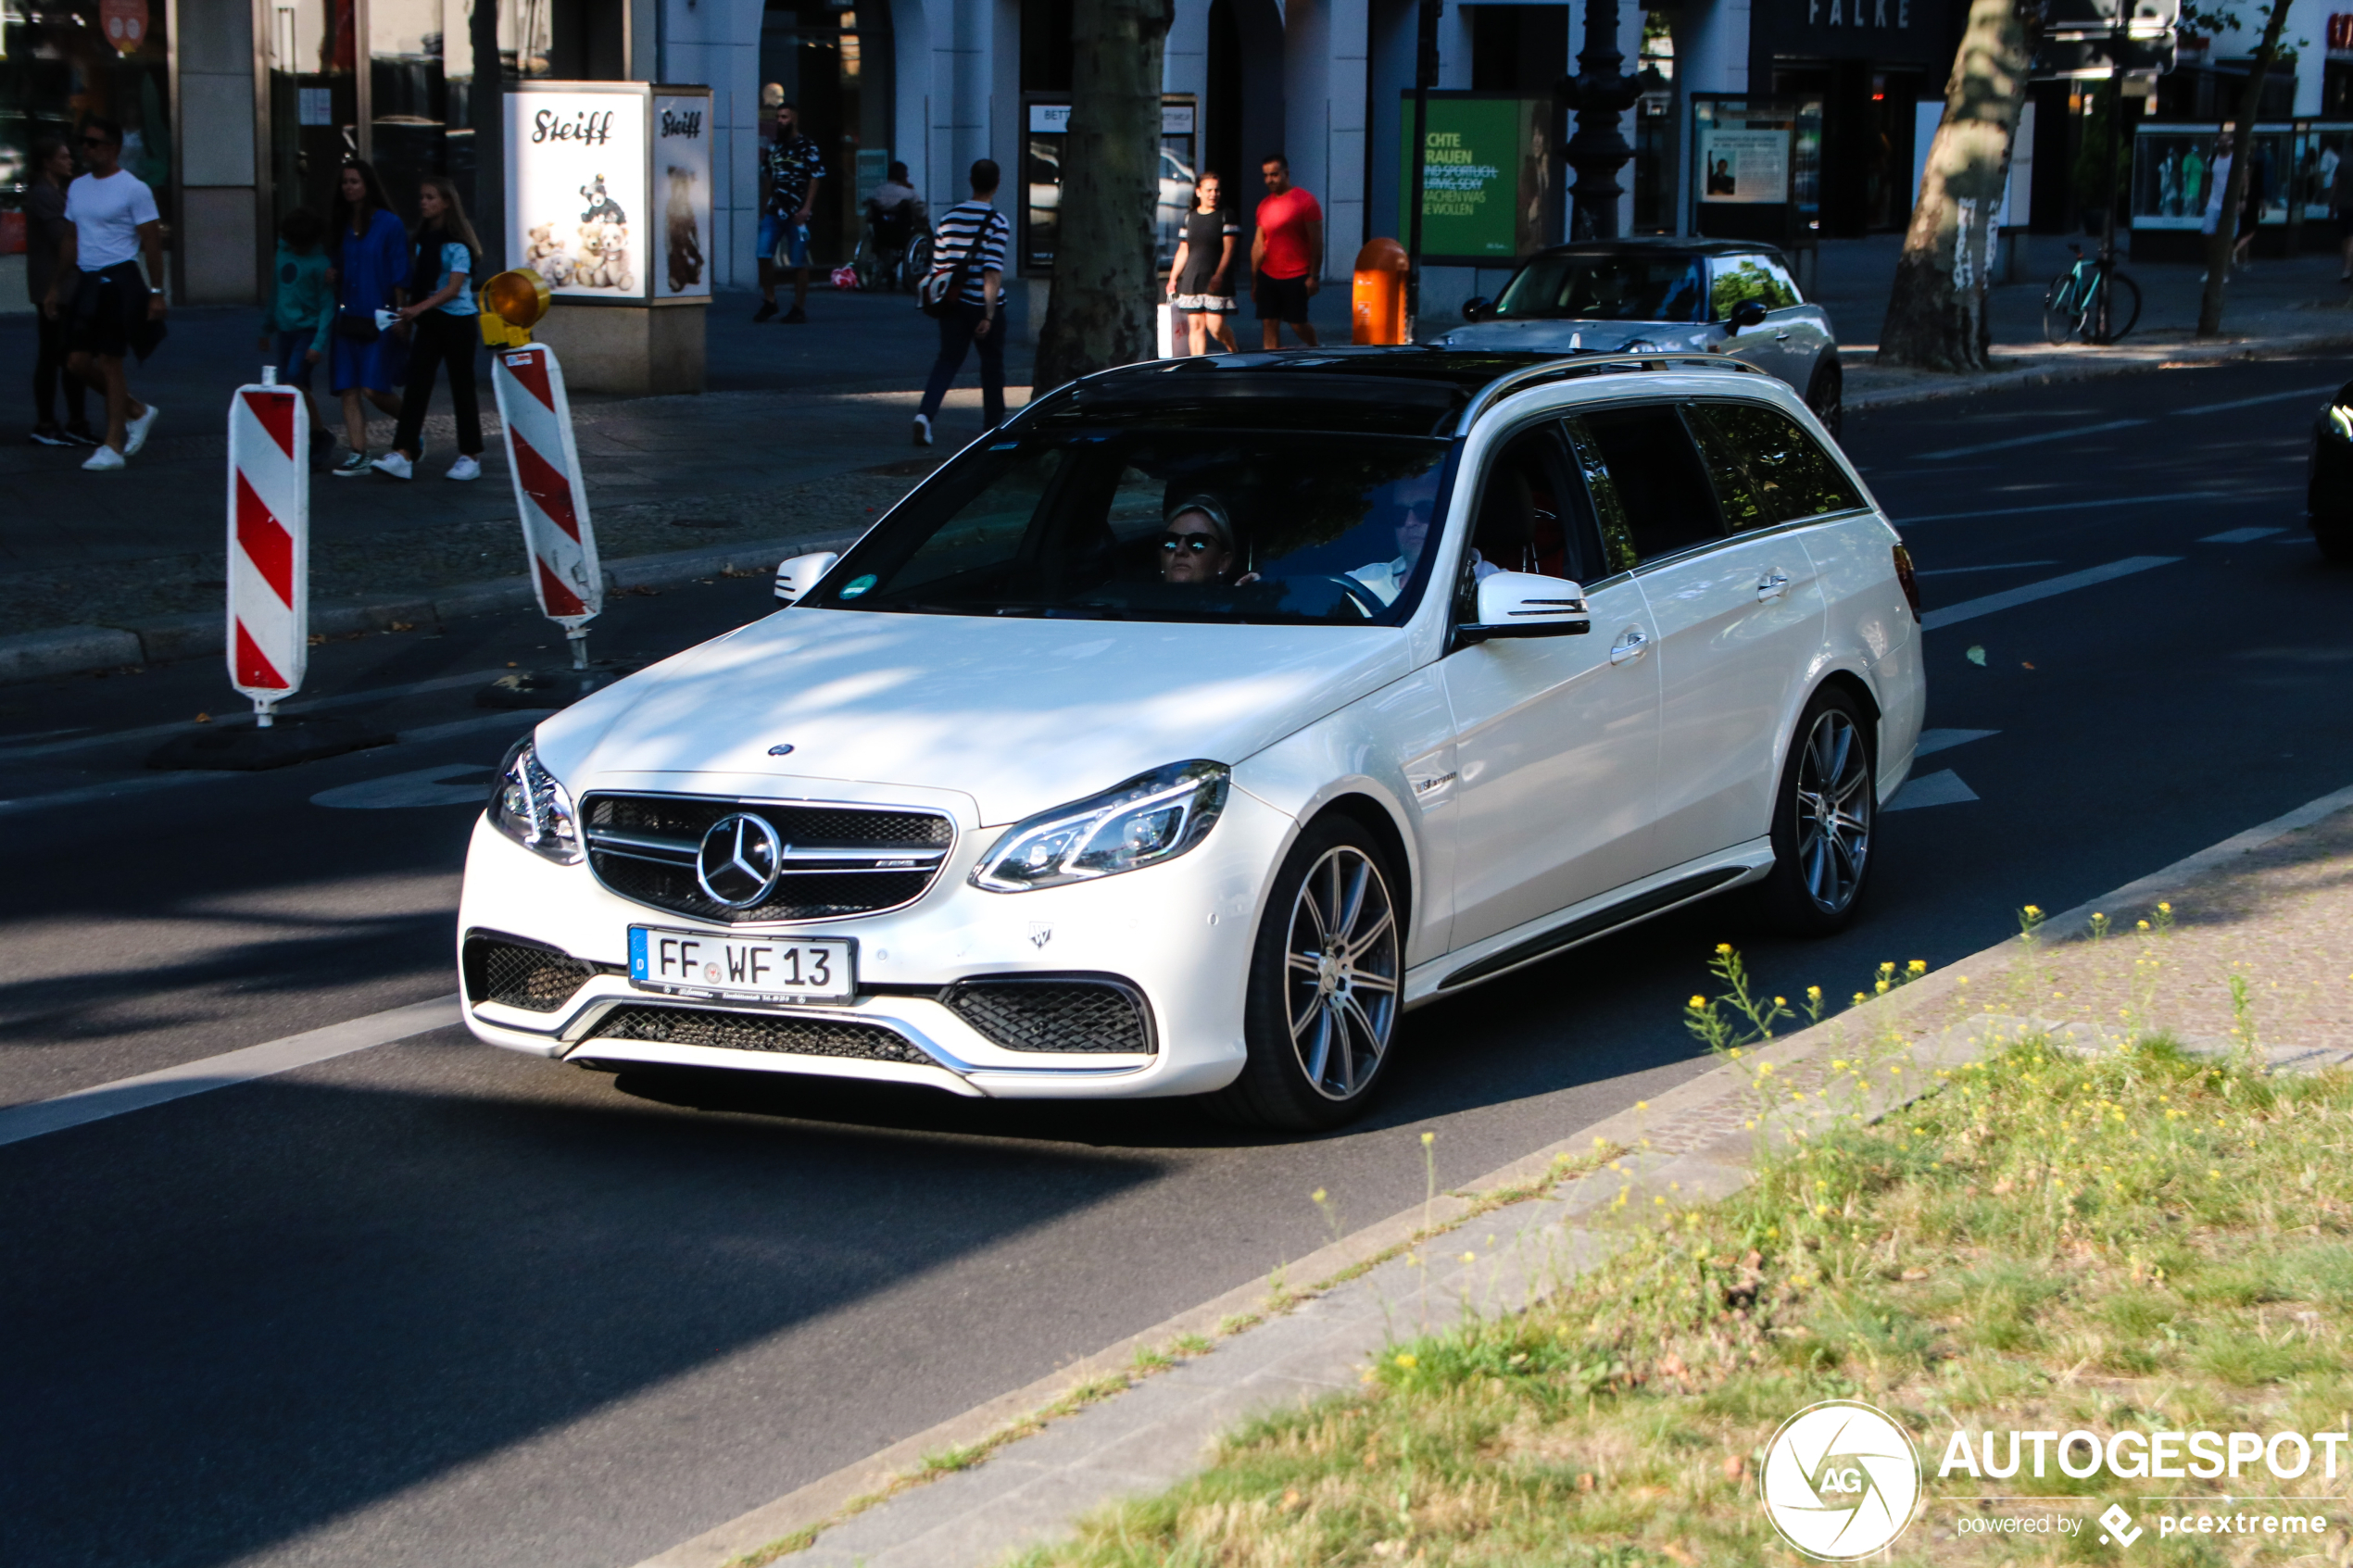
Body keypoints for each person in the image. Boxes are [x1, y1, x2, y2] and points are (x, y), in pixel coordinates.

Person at [44, 117, 164, 472]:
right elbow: (70, 237)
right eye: (84, 142)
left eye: (93, 143)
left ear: (113, 148)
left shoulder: (134, 189)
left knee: (111, 361)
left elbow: (153, 243)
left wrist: (157, 292)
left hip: (119, 278)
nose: (86, 148)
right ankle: (135, 411)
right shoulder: (78, 187)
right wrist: (55, 286)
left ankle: (112, 444)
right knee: (77, 362)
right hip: (87, 279)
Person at [373, 176, 484, 482]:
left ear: (446, 202)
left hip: (458, 321)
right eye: (422, 197)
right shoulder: (423, 240)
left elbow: (453, 289)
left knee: (462, 388)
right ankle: (404, 453)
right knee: (416, 386)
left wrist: (415, 310)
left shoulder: (458, 245)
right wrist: (411, 315)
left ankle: (470, 455)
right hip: (430, 321)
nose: (424, 202)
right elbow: (421, 283)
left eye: (431, 197)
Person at [912, 158, 1012, 447]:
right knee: (992, 364)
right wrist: (989, 314)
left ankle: (925, 417)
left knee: (947, 360)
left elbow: (939, 266)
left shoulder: (948, 218)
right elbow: (991, 271)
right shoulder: (997, 222)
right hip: (981, 305)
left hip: (952, 303)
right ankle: (992, 428)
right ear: (997, 183)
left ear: (971, 181)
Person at [327, 160, 409, 476]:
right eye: (345, 181)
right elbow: (338, 262)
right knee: (348, 386)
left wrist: (401, 314)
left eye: (355, 181)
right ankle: (358, 452)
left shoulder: (389, 224)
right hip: (348, 314)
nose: (349, 187)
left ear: (368, 185)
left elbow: (400, 270)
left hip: (379, 315)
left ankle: (410, 426)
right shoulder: (341, 224)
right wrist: (332, 273)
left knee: (375, 388)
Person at [25, 136, 95, 448]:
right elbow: (63, 238)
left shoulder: (57, 193)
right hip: (55, 287)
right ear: (47, 162)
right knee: (56, 353)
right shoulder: (44, 195)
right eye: (63, 157)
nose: (70, 161)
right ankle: (50, 422)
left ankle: (72, 422)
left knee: (66, 354)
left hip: (63, 285)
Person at [256, 207, 337, 467]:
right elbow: (276, 293)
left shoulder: (320, 264)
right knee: (296, 386)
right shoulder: (283, 253)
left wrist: (318, 343)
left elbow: (327, 305)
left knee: (293, 383)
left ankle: (312, 436)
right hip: (285, 331)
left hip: (307, 331)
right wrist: (267, 328)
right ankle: (315, 435)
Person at [757, 97, 826, 323]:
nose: (780, 121)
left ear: (794, 119)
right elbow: (768, 176)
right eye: (778, 117)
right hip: (774, 211)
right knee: (763, 255)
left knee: (798, 262)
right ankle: (770, 301)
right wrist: (763, 206)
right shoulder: (774, 147)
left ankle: (798, 307)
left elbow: (816, 177)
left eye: (784, 117)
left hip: (797, 213)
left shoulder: (807, 146)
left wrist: (806, 208)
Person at [1252, 153, 1322, 349]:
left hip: (1297, 274)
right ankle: (1270, 367)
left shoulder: (1306, 201)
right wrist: (1255, 280)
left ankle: (1316, 348)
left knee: (1297, 323)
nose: (1269, 180)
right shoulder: (1264, 205)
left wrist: (1314, 276)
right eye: (1266, 175)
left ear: (1286, 173)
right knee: (1269, 322)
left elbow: (1317, 241)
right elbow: (1258, 244)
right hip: (1268, 274)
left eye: (1274, 174)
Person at [1166, 173, 1240, 355]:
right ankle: (1198, 364)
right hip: (1193, 276)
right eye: (1209, 190)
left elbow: (1229, 249)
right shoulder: (1189, 218)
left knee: (1215, 326)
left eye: (1216, 190)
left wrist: (1220, 274)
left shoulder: (1225, 215)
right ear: (1199, 192)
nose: (1213, 194)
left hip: (1215, 276)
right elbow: (1184, 249)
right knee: (1196, 325)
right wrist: (1173, 277)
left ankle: (1234, 350)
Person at [1159, 497, 1248, 584]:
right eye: (1170, 542)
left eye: (1197, 542)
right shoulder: (1145, 596)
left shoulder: (1238, 599)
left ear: (1223, 562)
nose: (1179, 550)